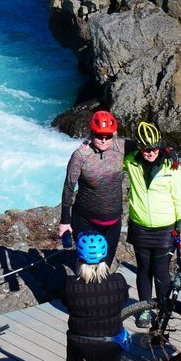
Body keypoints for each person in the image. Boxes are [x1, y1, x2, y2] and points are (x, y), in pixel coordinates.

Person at [123, 120, 181, 328]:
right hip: (140, 226)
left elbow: (180, 198)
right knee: (144, 270)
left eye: (154, 148)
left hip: (165, 228)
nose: (151, 152)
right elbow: (115, 146)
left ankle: (163, 311)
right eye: (146, 149)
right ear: (139, 147)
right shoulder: (131, 161)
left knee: (161, 271)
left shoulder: (171, 165)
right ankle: (144, 310)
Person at [61, 233, 131, 361]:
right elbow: (124, 300)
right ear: (105, 257)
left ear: (79, 258)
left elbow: (65, 302)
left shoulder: (69, 285)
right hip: (110, 344)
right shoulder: (118, 281)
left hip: (79, 346)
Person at [59, 110, 125, 265]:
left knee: (104, 266)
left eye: (108, 136)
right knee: (87, 266)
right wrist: (64, 221)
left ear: (113, 134)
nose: (104, 140)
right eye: (99, 136)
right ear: (91, 133)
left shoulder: (121, 147)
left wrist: (167, 152)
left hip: (113, 222)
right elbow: (68, 187)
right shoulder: (80, 155)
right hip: (85, 220)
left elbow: (147, 149)